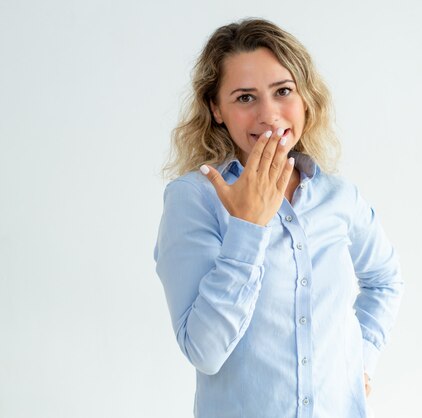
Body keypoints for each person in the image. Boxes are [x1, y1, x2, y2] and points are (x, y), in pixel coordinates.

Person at [154, 18, 403, 418]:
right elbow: (204, 351)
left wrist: (361, 359)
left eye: (283, 91)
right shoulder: (193, 199)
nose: (269, 115)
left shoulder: (339, 197)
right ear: (216, 109)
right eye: (245, 98)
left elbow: (385, 279)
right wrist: (248, 228)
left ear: (305, 97)